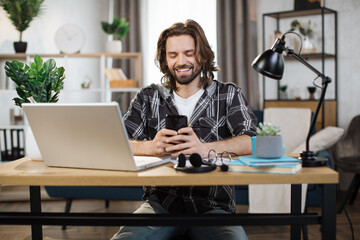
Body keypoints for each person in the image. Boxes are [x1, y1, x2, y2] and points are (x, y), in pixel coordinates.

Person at [111, 19, 257, 240]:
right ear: (165, 59)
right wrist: (151, 147)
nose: (181, 61)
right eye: (173, 55)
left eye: (189, 53)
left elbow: (252, 141)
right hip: (160, 205)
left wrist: (203, 148)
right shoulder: (148, 97)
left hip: (214, 207)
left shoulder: (228, 94)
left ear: (203, 55)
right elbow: (116, 142)